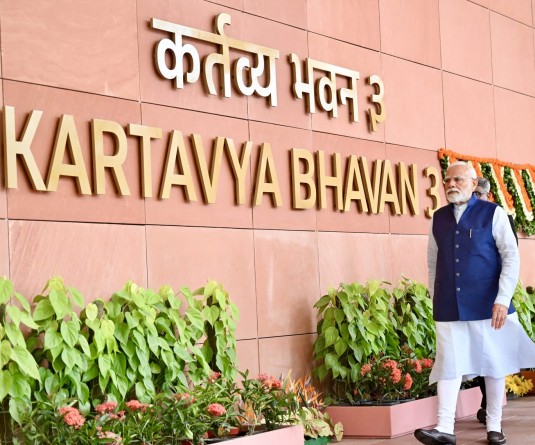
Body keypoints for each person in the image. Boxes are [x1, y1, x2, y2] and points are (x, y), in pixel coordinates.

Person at [414, 161, 535, 445]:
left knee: (492, 364)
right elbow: (433, 261)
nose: (451, 184)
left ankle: (494, 426)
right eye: (447, 180)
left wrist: (503, 298)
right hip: (449, 305)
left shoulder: (493, 213)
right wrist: (435, 295)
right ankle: (445, 428)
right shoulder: (438, 218)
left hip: (488, 304)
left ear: (473, 183)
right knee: (449, 364)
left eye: (458, 180)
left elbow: (510, 257)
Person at [473, 176, 518, 426]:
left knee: (492, 353)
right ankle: (487, 404)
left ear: (488, 195)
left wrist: (503, 295)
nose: (475, 198)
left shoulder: (501, 218)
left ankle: (489, 410)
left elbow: (509, 257)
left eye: (479, 194)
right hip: (471, 299)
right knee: (478, 354)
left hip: (495, 295)